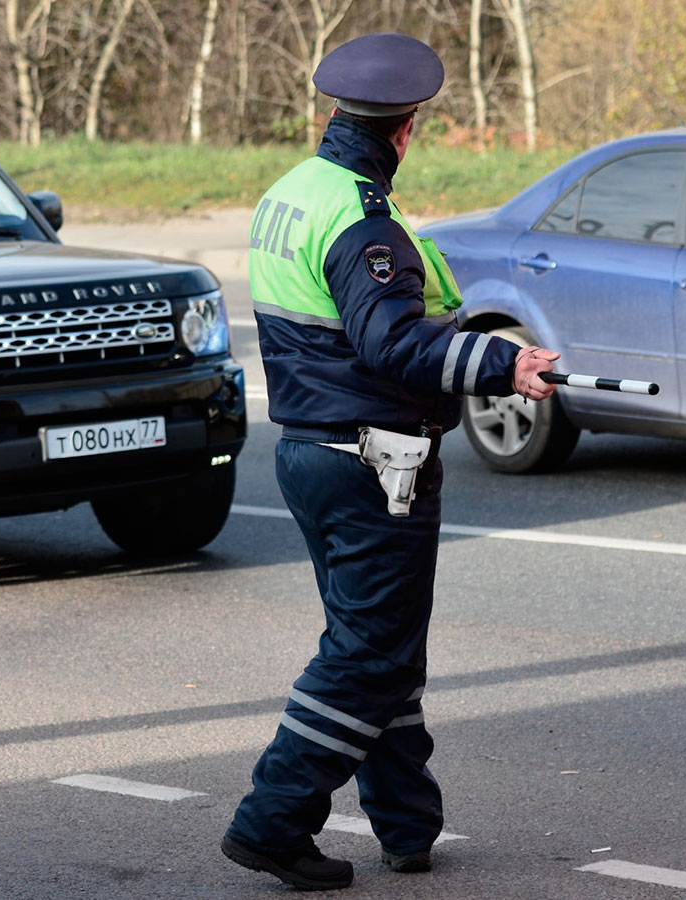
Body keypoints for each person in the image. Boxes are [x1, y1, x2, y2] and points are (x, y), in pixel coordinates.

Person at [220, 32, 560, 892]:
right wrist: (501, 364)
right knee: (368, 656)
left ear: (335, 112)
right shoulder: (365, 218)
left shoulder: (294, 191)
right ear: (406, 128)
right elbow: (392, 342)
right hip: (376, 461)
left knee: (380, 647)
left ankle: (408, 826)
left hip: (310, 450)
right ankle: (272, 821)